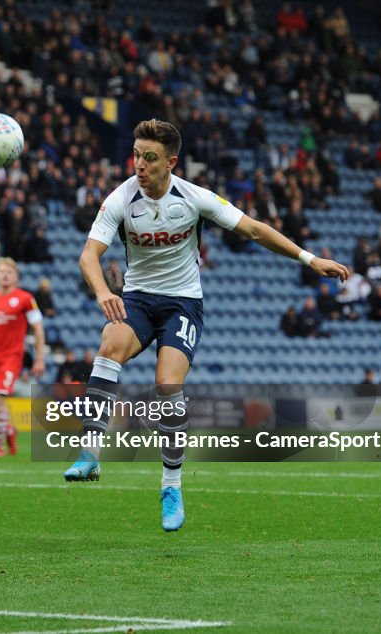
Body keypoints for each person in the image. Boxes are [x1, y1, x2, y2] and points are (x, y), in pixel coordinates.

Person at [64, 120, 348, 532]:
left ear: (170, 162)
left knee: (167, 385)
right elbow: (89, 255)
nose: (139, 164)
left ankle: (171, 487)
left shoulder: (193, 198)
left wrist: (309, 259)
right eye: (136, 154)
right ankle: (89, 453)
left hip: (183, 303)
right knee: (109, 345)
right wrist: (102, 291)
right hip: (138, 300)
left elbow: (252, 228)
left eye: (150, 157)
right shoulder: (120, 199)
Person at [0, 257, 46, 457]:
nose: (5, 275)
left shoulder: (25, 299)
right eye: (2, 272)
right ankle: (8, 430)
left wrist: (39, 358)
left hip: (11, 357)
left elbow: (38, 329)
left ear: (16, 276)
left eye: (9, 272)